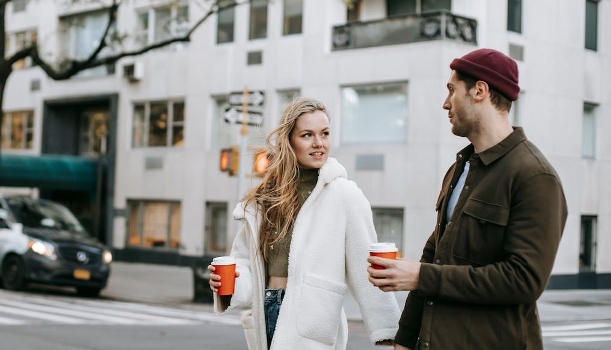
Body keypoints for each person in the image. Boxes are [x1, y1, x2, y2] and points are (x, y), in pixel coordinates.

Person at [367, 48, 568, 349]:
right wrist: (405, 339)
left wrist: (423, 277)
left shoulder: (535, 177)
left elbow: (523, 281)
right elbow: (433, 257)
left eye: (451, 90)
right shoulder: (460, 169)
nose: (445, 103)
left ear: (480, 91)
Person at [208, 97, 400, 349]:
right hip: (268, 309)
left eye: (325, 134)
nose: (319, 143)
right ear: (289, 141)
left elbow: (368, 270)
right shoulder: (266, 197)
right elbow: (245, 261)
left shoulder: (345, 195)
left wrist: (390, 332)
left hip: (313, 320)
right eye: (307, 135)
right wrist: (229, 283)